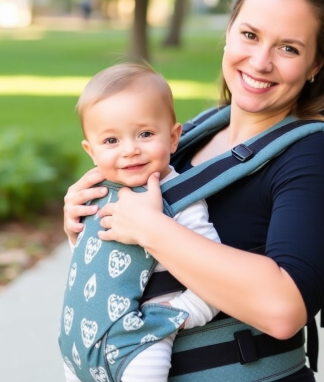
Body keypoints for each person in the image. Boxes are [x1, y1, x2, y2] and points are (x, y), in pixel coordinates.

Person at [64, 0, 324, 381]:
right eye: (250, 35)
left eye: (289, 48)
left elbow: (283, 309)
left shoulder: (317, 152)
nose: (260, 61)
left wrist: (150, 228)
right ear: (228, 34)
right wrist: (92, 219)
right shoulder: (193, 133)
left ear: (316, 65)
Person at [59, 63, 220, 382]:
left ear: (173, 138)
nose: (130, 150)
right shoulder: (95, 189)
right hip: (77, 342)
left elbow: (214, 279)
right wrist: (73, 233)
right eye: (111, 141)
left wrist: (174, 317)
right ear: (91, 151)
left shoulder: (180, 198)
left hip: (137, 345)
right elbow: (89, 257)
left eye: (145, 134)